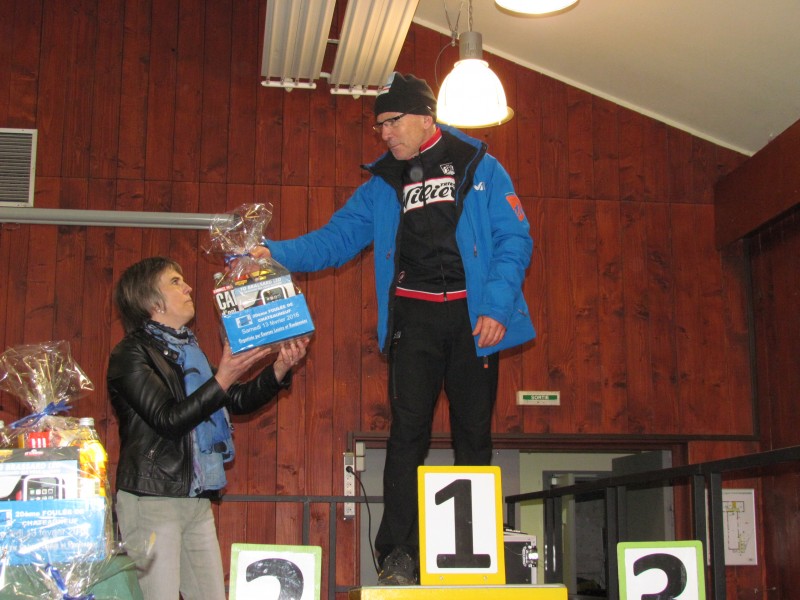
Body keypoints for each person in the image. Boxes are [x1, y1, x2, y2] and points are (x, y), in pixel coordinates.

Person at [251, 72, 535, 585]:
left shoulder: (480, 166)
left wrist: (496, 308)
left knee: (474, 435)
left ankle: (477, 548)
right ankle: (399, 555)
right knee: (406, 435)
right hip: (414, 320)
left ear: (426, 117)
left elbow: (513, 238)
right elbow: (334, 240)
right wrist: (272, 253)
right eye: (378, 125)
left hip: (473, 319)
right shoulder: (383, 184)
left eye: (392, 121)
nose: (384, 133)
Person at [107, 256, 309, 600]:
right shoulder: (130, 354)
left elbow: (235, 400)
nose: (188, 288)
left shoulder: (189, 352)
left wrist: (279, 368)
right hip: (152, 498)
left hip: (196, 498)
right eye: (175, 282)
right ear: (150, 300)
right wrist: (224, 377)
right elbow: (169, 420)